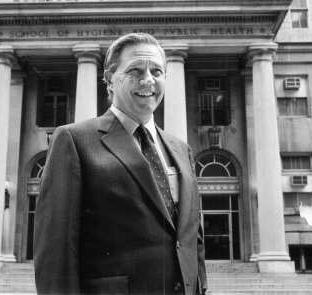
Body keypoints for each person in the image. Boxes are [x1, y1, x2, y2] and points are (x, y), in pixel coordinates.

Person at [34, 33, 207, 295]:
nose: (148, 79)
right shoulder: (74, 140)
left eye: (157, 71)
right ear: (110, 80)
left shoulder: (181, 149)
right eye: (135, 70)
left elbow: (192, 239)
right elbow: (55, 254)